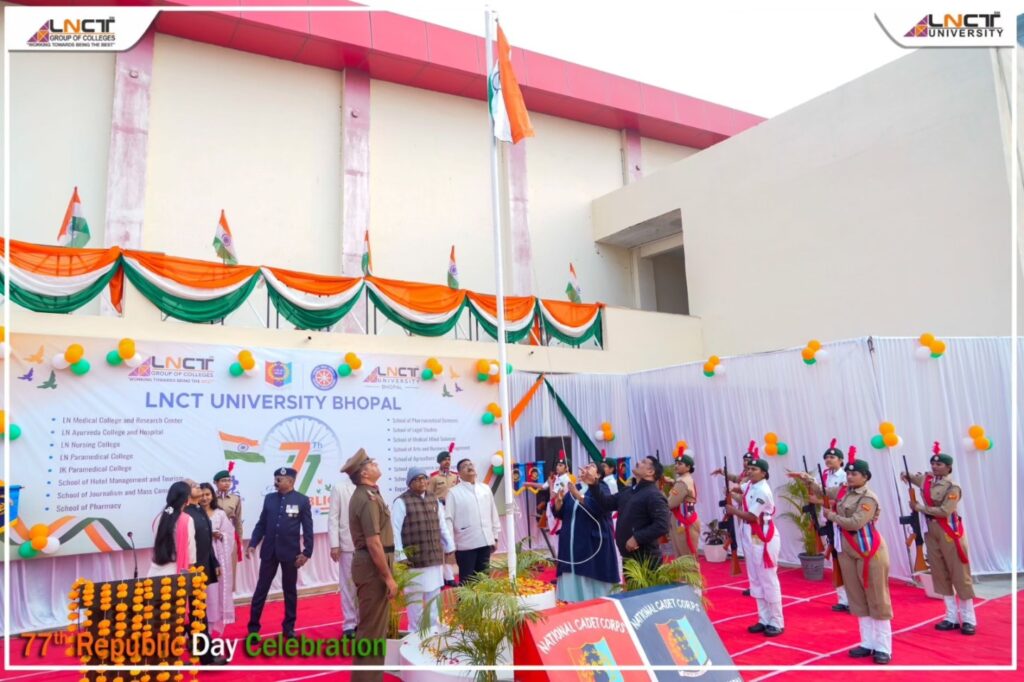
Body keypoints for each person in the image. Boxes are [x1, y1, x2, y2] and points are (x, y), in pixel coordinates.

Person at [800, 453, 893, 664]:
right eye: (849, 473)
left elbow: (855, 522)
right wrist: (809, 480)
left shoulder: (868, 498)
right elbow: (822, 491)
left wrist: (831, 516)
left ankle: (883, 647)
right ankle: (867, 642)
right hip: (848, 551)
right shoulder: (844, 491)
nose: (850, 477)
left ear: (865, 477)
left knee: (876, 598)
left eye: (855, 474)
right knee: (857, 598)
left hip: (868, 550)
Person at [901, 442, 975, 635]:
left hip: (949, 531)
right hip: (931, 531)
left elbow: (945, 511)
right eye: (933, 464)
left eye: (939, 464)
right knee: (940, 573)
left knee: (959, 573)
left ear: (948, 467)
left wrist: (919, 507)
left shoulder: (953, 487)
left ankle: (968, 619)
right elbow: (913, 478)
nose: (935, 467)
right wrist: (905, 475)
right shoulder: (927, 480)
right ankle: (951, 617)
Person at [342, 448, 396, 682]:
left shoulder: (370, 494)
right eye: (372, 463)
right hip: (373, 566)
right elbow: (373, 542)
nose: (376, 465)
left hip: (374, 563)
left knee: (375, 629)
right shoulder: (366, 498)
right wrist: (388, 577)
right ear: (364, 473)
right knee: (371, 630)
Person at [246, 467, 314, 638]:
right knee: (261, 589)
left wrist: (307, 552)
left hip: (291, 553)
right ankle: (253, 629)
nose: (275, 482)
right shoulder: (269, 499)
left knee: (290, 591)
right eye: (275, 478)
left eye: (279, 479)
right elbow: (261, 523)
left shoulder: (302, 500)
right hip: (269, 552)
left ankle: (288, 628)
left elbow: (308, 528)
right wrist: (253, 543)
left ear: (290, 481)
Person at [724, 456, 784, 637]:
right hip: (750, 535)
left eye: (754, 469)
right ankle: (763, 619)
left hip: (763, 535)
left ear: (764, 473)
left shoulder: (763, 490)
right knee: (755, 579)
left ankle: (777, 621)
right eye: (748, 469)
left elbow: (751, 516)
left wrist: (733, 510)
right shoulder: (751, 484)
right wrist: (732, 489)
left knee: (768, 578)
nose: (749, 471)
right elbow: (741, 490)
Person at [393, 467, 454, 631]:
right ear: (409, 483)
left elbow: (442, 525)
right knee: (415, 599)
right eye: (417, 479)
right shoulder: (401, 502)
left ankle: (433, 631)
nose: (421, 482)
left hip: (434, 559)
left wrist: (449, 545)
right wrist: (400, 556)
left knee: (434, 597)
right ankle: (415, 631)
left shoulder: (434, 499)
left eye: (424, 478)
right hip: (413, 561)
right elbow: (395, 531)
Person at [589, 455, 670, 570]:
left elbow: (662, 525)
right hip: (628, 557)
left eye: (643, 462)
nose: (638, 462)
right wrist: (594, 484)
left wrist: (637, 538)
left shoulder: (654, 495)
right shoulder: (628, 491)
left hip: (646, 559)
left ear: (650, 472)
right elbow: (606, 503)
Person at [552, 463, 619, 601]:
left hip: (591, 544)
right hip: (570, 544)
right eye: (585, 466)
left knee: (589, 580)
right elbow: (562, 513)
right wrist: (558, 504)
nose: (585, 468)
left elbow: (599, 508)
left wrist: (578, 496)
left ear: (598, 475)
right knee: (571, 578)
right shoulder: (575, 487)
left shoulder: (602, 488)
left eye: (590, 467)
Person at [711, 442, 758, 597]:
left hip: (750, 517)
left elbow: (745, 498)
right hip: (742, 517)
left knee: (755, 554)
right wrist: (723, 473)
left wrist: (731, 495)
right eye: (744, 460)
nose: (746, 463)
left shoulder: (754, 481)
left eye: (749, 461)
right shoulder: (745, 476)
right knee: (749, 553)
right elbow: (737, 478)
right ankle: (754, 585)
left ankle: (758, 586)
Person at [445, 458, 502, 583]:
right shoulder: (454, 493)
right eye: (465, 466)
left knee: (483, 580)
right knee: (467, 582)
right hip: (466, 544)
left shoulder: (485, 489)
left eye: (471, 464)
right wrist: (450, 545)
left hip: (485, 541)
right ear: (459, 473)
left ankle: (483, 597)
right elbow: (448, 519)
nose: (469, 466)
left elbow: (493, 513)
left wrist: (495, 537)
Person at [200, 482, 236, 637]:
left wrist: (220, 535)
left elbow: (229, 533)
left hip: (217, 556)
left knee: (215, 589)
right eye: (202, 495)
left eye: (208, 494)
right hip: (201, 555)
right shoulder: (194, 513)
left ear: (212, 496)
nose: (204, 498)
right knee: (203, 590)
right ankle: (198, 624)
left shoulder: (219, 513)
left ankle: (212, 625)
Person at [328, 468, 359, 638]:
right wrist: (334, 545)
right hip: (348, 544)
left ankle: (363, 621)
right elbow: (333, 517)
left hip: (368, 546)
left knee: (366, 586)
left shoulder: (372, 487)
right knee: (348, 585)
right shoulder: (340, 488)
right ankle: (349, 623)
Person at [819, 439, 849, 612]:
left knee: (846, 560)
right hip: (828, 520)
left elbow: (842, 499)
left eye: (832, 457)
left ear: (841, 460)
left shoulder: (845, 477)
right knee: (836, 561)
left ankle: (852, 598)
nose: (828, 460)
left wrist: (822, 501)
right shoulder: (824, 475)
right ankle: (842, 599)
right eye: (827, 457)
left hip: (841, 519)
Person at [429, 445, 460, 587]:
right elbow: (429, 496)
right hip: (440, 509)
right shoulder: (434, 477)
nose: (447, 462)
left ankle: (449, 575)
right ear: (439, 462)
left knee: (452, 542)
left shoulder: (455, 476)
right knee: (442, 543)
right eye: (444, 460)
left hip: (453, 510)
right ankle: (442, 577)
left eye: (449, 459)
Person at [149, 481, 195, 577]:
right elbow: (190, 548)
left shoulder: (160, 517)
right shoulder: (187, 519)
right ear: (187, 499)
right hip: (175, 571)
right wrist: (191, 567)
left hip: (154, 571)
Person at [667, 450, 700, 563]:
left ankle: (690, 575)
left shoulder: (682, 483)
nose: (676, 466)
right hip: (686, 518)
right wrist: (672, 482)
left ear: (688, 467)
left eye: (680, 464)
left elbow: (670, 503)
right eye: (676, 463)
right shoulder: (685, 479)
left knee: (684, 556)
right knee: (685, 555)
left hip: (682, 521)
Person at [213, 465, 244, 583]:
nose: (227, 483)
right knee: (216, 566)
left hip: (230, 536)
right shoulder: (209, 498)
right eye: (223, 480)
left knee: (230, 566)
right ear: (216, 483)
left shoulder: (235, 498)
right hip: (214, 536)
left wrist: (239, 539)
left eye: (229, 480)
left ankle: (230, 591)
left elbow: (238, 521)